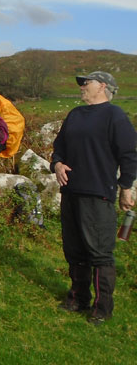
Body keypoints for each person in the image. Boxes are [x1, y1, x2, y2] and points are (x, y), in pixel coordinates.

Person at [51, 71, 136, 325]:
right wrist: (56, 164)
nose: (81, 88)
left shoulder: (115, 116)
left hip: (98, 194)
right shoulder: (75, 114)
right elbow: (59, 147)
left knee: (99, 252)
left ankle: (102, 308)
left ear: (102, 87)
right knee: (74, 249)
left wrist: (126, 187)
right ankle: (78, 298)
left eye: (85, 83)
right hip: (71, 192)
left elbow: (129, 154)